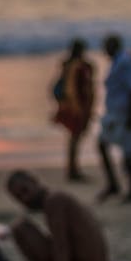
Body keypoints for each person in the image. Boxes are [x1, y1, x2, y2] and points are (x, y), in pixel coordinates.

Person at [6, 170, 114, 261]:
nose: (25, 199)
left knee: (20, 228)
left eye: (25, 190)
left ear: (34, 181)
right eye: (19, 197)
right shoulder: (59, 198)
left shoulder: (54, 201)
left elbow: (61, 246)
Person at [97, 34, 131, 203]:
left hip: (124, 113)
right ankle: (114, 184)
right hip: (115, 112)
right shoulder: (118, 61)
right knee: (105, 145)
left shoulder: (124, 62)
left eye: (106, 46)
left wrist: (130, 117)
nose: (104, 50)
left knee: (129, 151)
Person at [51, 38, 95, 181]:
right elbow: (76, 89)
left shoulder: (68, 65)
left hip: (71, 106)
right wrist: (81, 108)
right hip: (76, 106)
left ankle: (72, 169)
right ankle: (73, 170)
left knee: (73, 138)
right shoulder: (78, 67)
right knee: (75, 138)